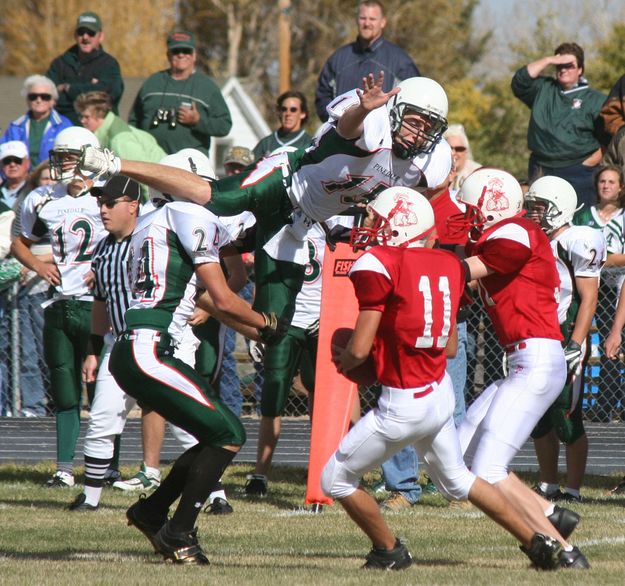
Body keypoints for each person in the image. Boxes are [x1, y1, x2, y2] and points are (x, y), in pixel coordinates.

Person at [79, 73, 452, 335]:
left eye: (427, 127)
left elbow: (414, 205)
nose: (419, 132)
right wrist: (364, 108)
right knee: (217, 196)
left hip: (303, 222)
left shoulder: (424, 165)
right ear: (395, 110)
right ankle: (114, 163)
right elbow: (347, 128)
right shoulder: (370, 122)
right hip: (285, 181)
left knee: (272, 326)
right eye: (414, 120)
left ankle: (201, 300)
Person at [322, 185, 564, 571]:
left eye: (377, 220)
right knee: (457, 481)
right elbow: (450, 347)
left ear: (399, 225)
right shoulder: (447, 265)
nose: (370, 226)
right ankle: (537, 542)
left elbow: (360, 349)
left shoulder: (380, 263)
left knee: (333, 479)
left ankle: (389, 550)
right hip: (439, 393)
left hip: (403, 403)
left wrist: (346, 360)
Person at [106, 169, 283, 566]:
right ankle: (179, 531)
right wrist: (269, 323)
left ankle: (152, 512)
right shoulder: (193, 214)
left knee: (213, 433)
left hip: (138, 347)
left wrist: (257, 333)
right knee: (229, 432)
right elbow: (222, 297)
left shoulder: (157, 223)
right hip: (149, 349)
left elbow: (197, 300)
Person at [449, 167, 589, 568]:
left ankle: (562, 549)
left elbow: (471, 271)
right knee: (456, 459)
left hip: (536, 360)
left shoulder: (514, 231)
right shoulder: (503, 234)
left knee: (488, 469)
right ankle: (549, 512)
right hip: (524, 362)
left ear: (492, 206)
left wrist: (427, 265)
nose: (469, 217)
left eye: (474, 209)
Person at [10, 127, 106, 487]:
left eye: (70, 155)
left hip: (98, 305)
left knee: (102, 392)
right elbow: (20, 242)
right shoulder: (42, 197)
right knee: (65, 389)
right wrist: (38, 265)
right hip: (59, 303)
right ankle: (64, 467)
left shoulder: (107, 195)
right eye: (62, 155)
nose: (64, 161)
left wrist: (106, 270)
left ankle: (105, 467)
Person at [244, 215, 353, 497]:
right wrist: (259, 319)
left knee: (325, 398)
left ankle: (324, 468)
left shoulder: (344, 218)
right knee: (272, 397)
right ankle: (260, 473)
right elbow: (265, 273)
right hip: (287, 320)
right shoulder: (288, 218)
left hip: (326, 317)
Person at [525, 176, 605, 503]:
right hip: (539, 330)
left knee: (566, 415)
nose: (534, 214)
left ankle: (572, 489)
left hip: (565, 330)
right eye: (531, 207)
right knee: (538, 416)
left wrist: (575, 344)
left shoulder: (577, 238)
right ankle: (548, 484)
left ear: (560, 209)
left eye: (540, 208)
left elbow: (588, 298)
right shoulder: (537, 239)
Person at [511, 42, 606, 209]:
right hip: (541, 167)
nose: (563, 70)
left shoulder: (595, 99)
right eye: (559, 65)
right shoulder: (544, 89)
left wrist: (593, 159)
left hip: (578, 170)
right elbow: (520, 82)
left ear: (580, 70)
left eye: (569, 66)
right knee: (540, 219)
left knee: (578, 219)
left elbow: (610, 133)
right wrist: (549, 60)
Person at [573, 166, 625, 421]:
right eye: (602, 181)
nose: (606, 186)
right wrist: (613, 259)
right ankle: (587, 405)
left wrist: (600, 259)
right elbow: (577, 252)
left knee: (613, 346)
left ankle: (610, 404)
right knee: (583, 346)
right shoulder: (584, 217)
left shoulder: (624, 218)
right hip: (590, 286)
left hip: (618, 289)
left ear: (621, 187)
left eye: (612, 182)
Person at [128, 30, 232, 156]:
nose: (181, 55)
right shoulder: (152, 83)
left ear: (194, 55)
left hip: (190, 162)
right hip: (152, 160)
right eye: (176, 51)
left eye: (186, 51)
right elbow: (133, 123)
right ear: (168, 54)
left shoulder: (207, 87)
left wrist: (198, 121)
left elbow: (224, 125)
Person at [315, 0, 420, 122]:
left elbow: (413, 100)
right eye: (362, 18)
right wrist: (337, 124)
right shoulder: (338, 58)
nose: (367, 23)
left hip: (383, 139)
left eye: (372, 19)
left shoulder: (401, 61)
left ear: (383, 22)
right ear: (357, 20)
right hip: (341, 135)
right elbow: (322, 96)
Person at [46, 11, 123, 125]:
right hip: (64, 130)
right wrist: (92, 89)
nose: (85, 37)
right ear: (75, 35)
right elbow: (46, 98)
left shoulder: (109, 65)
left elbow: (107, 98)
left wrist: (68, 89)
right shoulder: (59, 64)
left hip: (98, 134)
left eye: (91, 33)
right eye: (81, 32)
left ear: (100, 36)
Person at [0, 75, 73, 167]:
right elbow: (3, 154)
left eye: (45, 97)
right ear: (27, 100)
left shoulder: (64, 126)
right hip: (23, 179)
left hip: (52, 178)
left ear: (53, 101)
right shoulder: (15, 126)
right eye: (33, 96)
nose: (38, 100)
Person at [75, 91, 166, 164]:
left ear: (100, 115)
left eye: (87, 117)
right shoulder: (113, 129)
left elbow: (142, 175)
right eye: (81, 116)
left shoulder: (119, 141)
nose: (82, 121)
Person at [253, 91, 312, 160]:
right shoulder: (266, 144)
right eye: (284, 109)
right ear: (279, 112)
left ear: (303, 114)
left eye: (293, 110)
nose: (288, 113)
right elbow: (250, 169)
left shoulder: (309, 144)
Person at [443, 124, 481, 191]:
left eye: (459, 149)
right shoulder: (438, 172)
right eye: (449, 148)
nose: (453, 153)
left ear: (466, 151)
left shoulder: (478, 174)